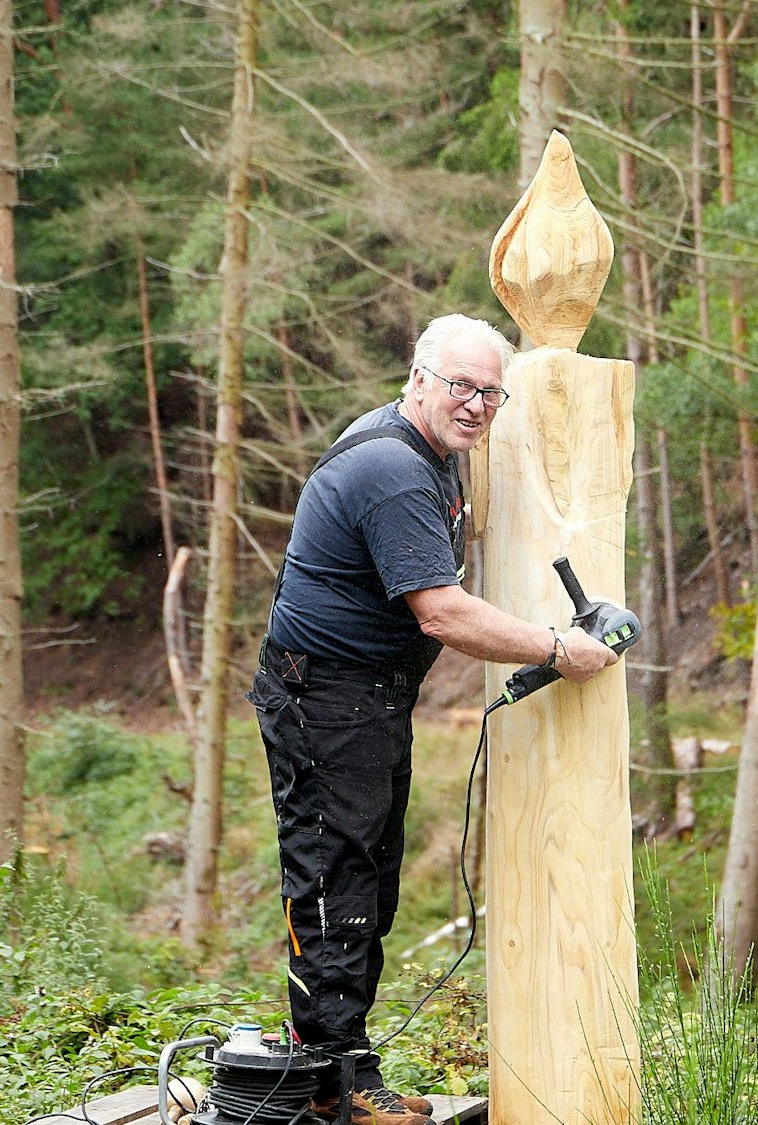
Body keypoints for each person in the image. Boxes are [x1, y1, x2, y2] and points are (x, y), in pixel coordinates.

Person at [249, 313, 618, 1125]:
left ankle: (343, 1062)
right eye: (462, 386)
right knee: (333, 880)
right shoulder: (392, 467)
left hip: (365, 698)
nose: (479, 405)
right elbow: (444, 613)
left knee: (369, 879)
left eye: (492, 391)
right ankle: (330, 1082)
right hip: (325, 697)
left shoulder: (438, 455)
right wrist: (558, 646)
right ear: (418, 378)